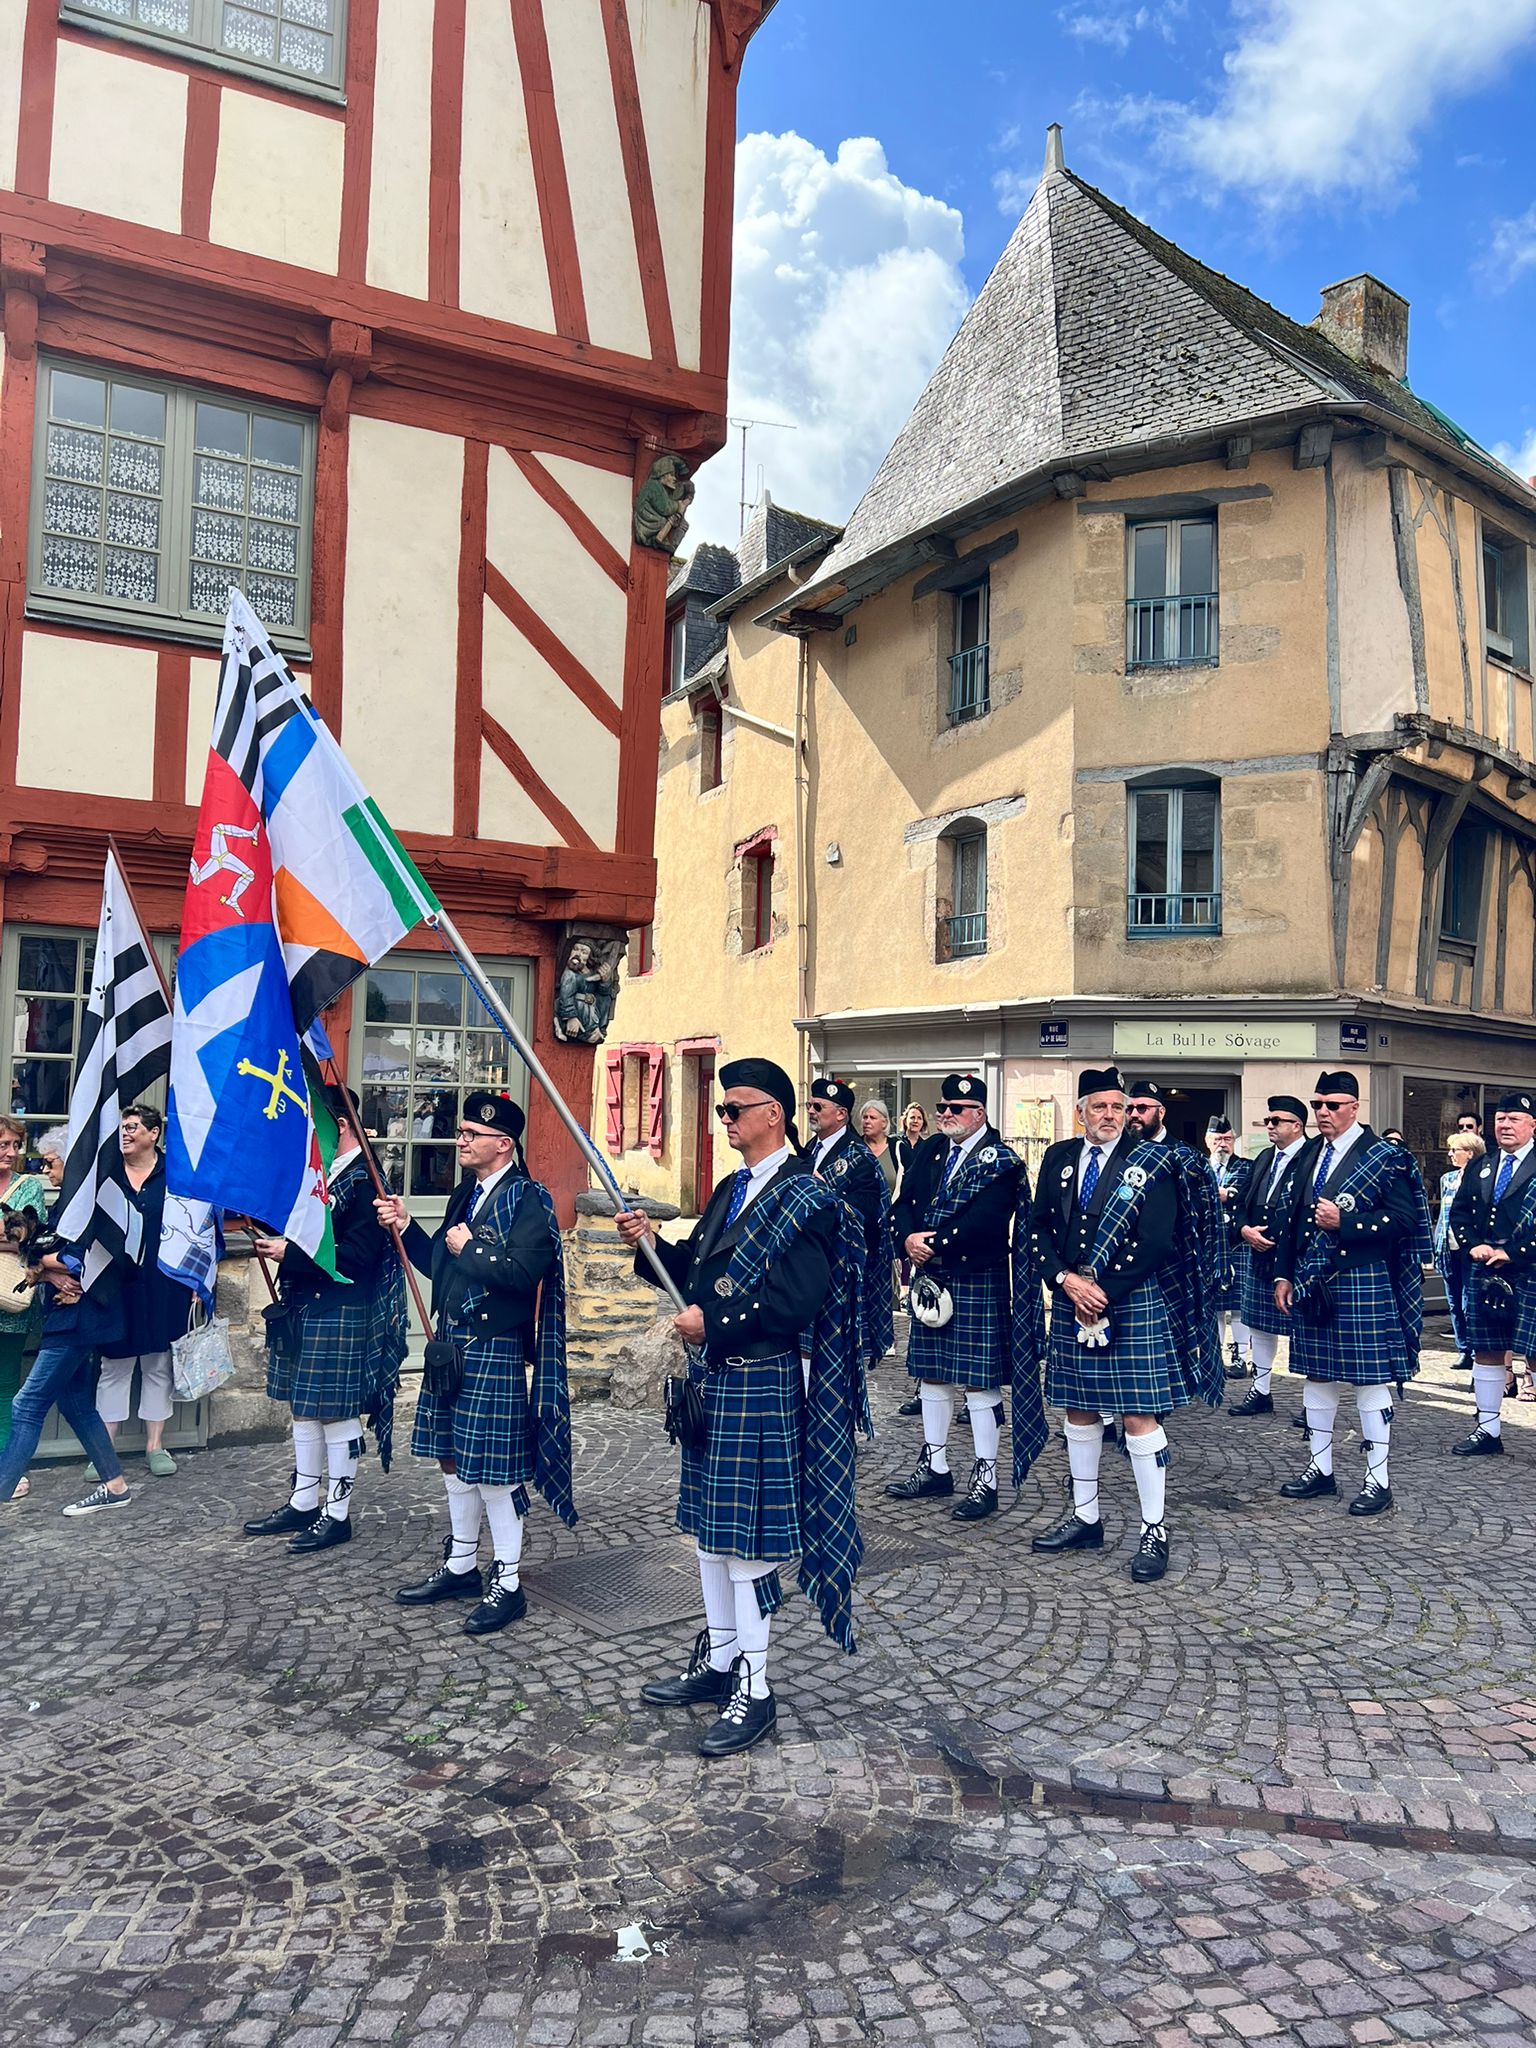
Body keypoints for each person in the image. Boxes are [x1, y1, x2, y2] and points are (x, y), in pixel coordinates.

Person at [616, 1057, 863, 1759]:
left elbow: (796, 1301)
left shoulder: (808, 1198)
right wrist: (650, 1246)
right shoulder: (733, 1188)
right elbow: (698, 1269)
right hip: (716, 1382)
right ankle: (722, 1661)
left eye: (734, 1109)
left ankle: (756, 1688)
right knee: (709, 1533)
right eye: (722, 1109)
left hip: (761, 1381)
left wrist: (714, 1324)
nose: (724, 1118)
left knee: (747, 1543)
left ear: (773, 1115)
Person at [377, 1092, 575, 1635]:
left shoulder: (529, 1198)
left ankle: (507, 1582)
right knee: (450, 1456)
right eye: (461, 1132)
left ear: (503, 1143)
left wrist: (471, 1250)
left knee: (494, 1469)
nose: (460, 1140)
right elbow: (438, 1265)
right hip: (451, 1344)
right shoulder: (465, 1194)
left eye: (471, 1134)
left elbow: (524, 1275)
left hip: (493, 1347)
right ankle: (462, 1564)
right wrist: (406, 1226)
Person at [1029, 1067, 1222, 1583]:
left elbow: (1157, 1240)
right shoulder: (1059, 1157)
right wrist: (1065, 1280)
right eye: (1100, 1106)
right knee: (1078, 1411)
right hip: (1072, 1297)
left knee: (1139, 1417)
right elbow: (1038, 1228)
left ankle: (1154, 1529)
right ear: (1081, 1112)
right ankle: (1085, 1517)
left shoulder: (1152, 1161)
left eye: (1118, 1106)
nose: (1112, 1115)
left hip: (1131, 1299)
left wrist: (1102, 1292)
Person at [244, 1092, 407, 1552]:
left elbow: (358, 1256)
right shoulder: (322, 1173)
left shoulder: (366, 1179)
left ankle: (337, 1515)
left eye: (313, 1119)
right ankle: (302, 1502)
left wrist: (290, 1253)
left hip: (341, 1307)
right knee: (304, 1407)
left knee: (336, 1412)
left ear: (340, 1123)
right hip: (306, 1305)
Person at [1273, 1071, 1432, 1516]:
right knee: (1316, 1376)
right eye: (1318, 1105)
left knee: (1369, 1380)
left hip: (1361, 1278)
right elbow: (1291, 1220)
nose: (1323, 1112)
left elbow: (1404, 1221)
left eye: (1333, 1105)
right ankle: (1320, 1469)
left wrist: (1347, 1223)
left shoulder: (1384, 1156)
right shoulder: (1310, 1153)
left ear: (1355, 1108)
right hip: (1312, 1279)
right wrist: (1283, 1274)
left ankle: (1378, 1481)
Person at [884, 1074, 1030, 1523]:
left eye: (957, 1108)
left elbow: (988, 1220)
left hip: (975, 1274)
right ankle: (936, 1467)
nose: (946, 1114)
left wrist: (933, 1243)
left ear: (979, 1113)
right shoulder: (931, 1149)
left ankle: (986, 1480)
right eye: (943, 1107)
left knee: (979, 1382)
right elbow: (903, 1203)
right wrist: (907, 1238)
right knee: (932, 1376)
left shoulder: (1002, 1161)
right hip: (931, 1277)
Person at [0, 1125, 136, 1518]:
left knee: (27, 1404)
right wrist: (48, 1271)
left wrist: (43, 1264)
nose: (46, 1169)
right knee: (76, 1404)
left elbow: (84, 1259)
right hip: (69, 1317)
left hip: (79, 1319)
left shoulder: (86, 1205)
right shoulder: (72, 1203)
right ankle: (115, 1485)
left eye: (51, 1162)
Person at [89, 1106, 192, 1480]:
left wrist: (198, 1279)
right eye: (122, 1128)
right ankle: (104, 1449)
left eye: (133, 1127)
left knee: (158, 1363)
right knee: (113, 1364)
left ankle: (155, 1445)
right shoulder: (106, 1173)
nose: (125, 1134)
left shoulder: (176, 1175)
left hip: (164, 1282)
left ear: (154, 1134)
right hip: (116, 1283)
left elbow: (194, 1226)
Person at [1448, 1093, 1536, 1453]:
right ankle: (1488, 1430)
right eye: (1501, 1119)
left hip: (1530, 1268)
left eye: (1514, 1119)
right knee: (1487, 1349)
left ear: (1532, 1125)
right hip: (1485, 1269)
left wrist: (1511, 1253)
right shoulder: (1482, 1164)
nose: (1506, 1125)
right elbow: (1459, 1214)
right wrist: (1473, 1245)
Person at [1228, 1096, 1311, 1418]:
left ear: (1297, 1125)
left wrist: (1277, 1237)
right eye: (1268, 1121)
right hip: (1258, 1256)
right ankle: (1261, 1391)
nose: (1270, 1126)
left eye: (1277, 1121)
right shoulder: (1264, 1157)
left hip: (1296, 1260)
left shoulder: (1312, 1157)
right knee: (1260, 1327)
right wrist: (1244, 1229)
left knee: (1304, 1330)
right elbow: (1241, 1203)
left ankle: (1313, 1403)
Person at [805, 1080, 893, 1368]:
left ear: (841, 1114)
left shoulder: (859, 1154)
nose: (811, 1111)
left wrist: (827, 1191)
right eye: (809, 1105)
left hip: (841, 1265)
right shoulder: (810, 1149)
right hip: (810, 1259)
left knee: (835, 1357)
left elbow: (869, 1210)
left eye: (818, 1106)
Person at [0, 1117, 51, 1490]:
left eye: (16, 1146)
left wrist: (14, 1240)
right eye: (3, 1144)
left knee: (5, 1386)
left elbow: (30, 1240)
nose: (11, 1152)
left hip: (10, 1299)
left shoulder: (28, 1186)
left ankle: (5, 1469)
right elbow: (13, 1238)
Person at [1205, 1117, 1254, 1376]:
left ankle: (1240, 1358)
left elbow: (1248, 1195)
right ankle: (1214, 1358)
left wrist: (1228, 1195)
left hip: (1237, 1244)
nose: (1222, 1144)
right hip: (1209, 1244)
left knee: (1238, 1305)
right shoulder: (1199, 1167)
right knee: (1214, 1305)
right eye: (1217, 1139)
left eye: (1227, 1139)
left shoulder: (1247, 1167)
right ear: (1208, 1141)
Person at [1435, 1131, 1483, 1374]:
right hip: (1447, 1247)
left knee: (1468, 1302)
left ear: (1470, 1153)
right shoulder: (1448, 1179)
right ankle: (1463, 1349)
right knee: (1453, 1302)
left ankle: (1476, 1351)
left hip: (1469, 1250)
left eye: (1455, 1150)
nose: (1451, 1154)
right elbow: (1442, 1216)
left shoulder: (1482, 1178)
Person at [858, 1100, 900, 1198]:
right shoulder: (855, 1147)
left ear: (884, 1123)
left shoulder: (898, 1148)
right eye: (865, 1117)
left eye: (872, 1118)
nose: (867, 1121)